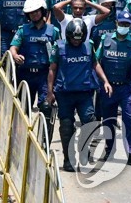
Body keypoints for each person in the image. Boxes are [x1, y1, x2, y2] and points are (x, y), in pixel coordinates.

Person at [47, 19, 98, 172]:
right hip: (64, 93)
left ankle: (84, 149)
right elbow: (52, 69)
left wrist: (105, 81)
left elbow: (95, 64)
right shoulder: (59, 47)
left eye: (79, 39)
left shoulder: (89, 46)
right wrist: (50, 92)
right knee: (67, 126)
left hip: (85, 92)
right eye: (73, 39)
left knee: (89, 121)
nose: (76, 42)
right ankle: (68, 159)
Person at [94, 8, 131, 165]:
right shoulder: (105, 40)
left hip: (127, 87)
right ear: (116, 23)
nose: (124, 26)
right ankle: (109, 149)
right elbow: (97, 61)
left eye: (127, 24)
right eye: (121, 23)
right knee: (108, 120)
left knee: (129, 118)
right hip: (109, 87)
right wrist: (102, 82)